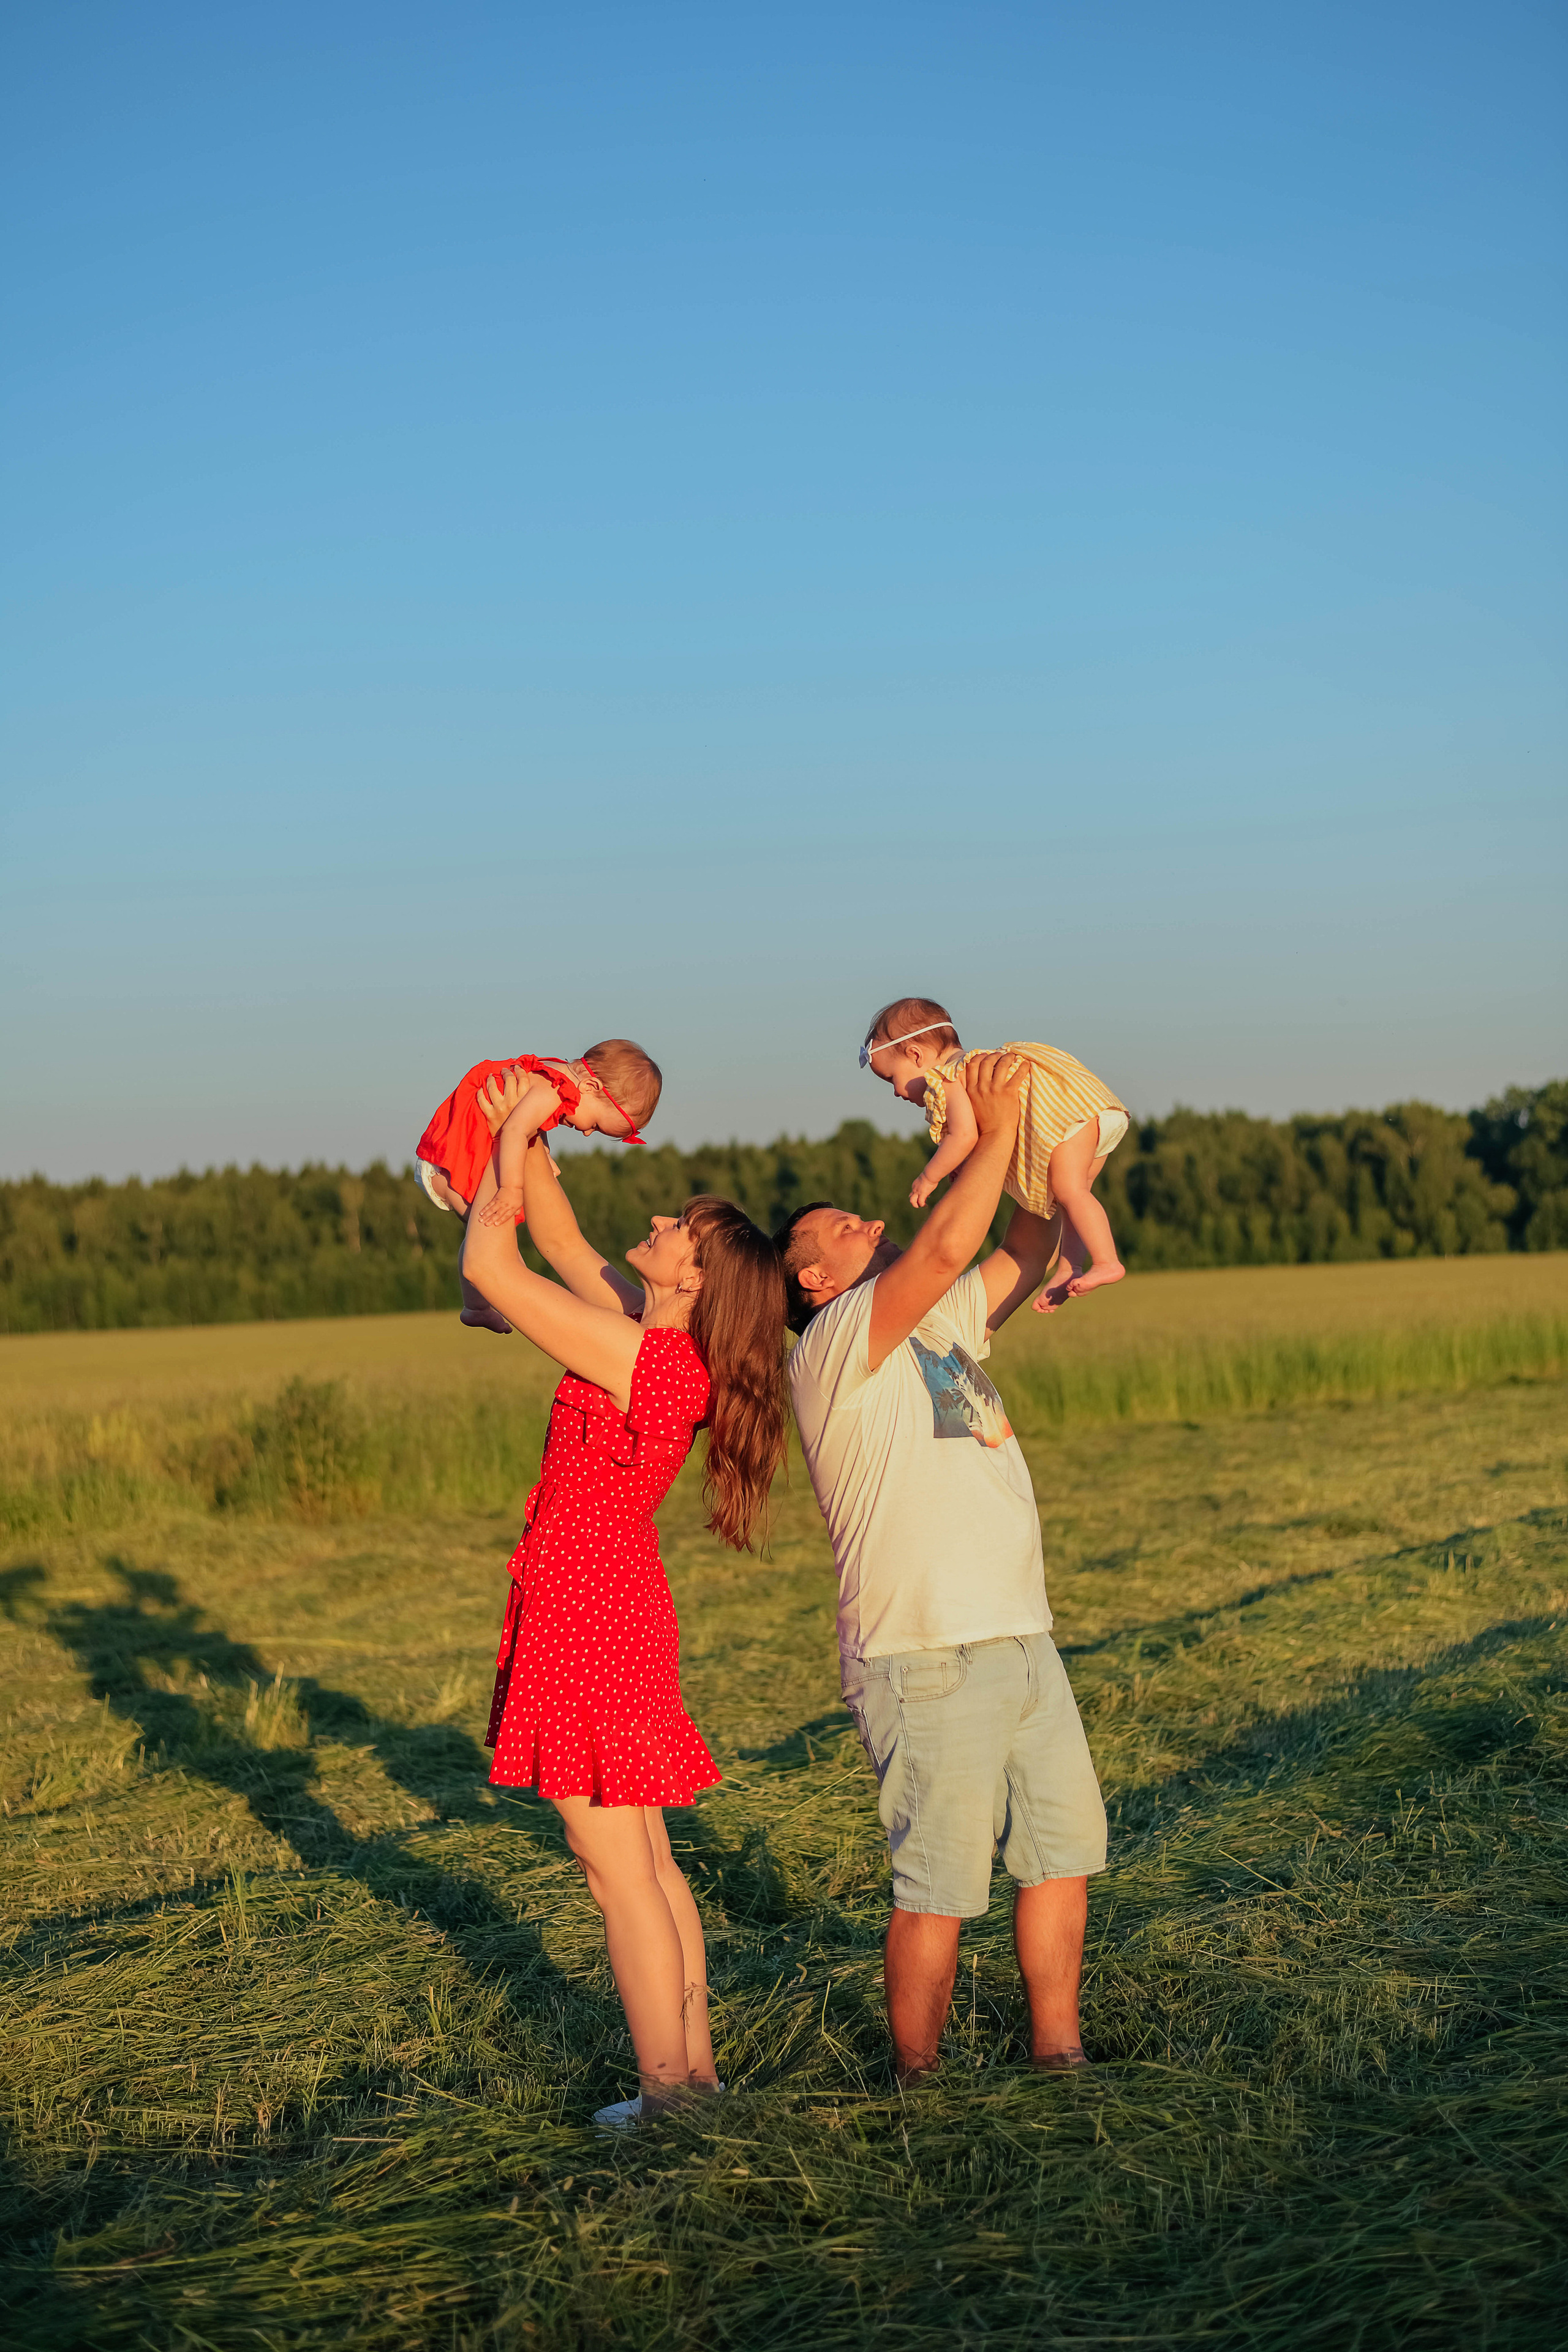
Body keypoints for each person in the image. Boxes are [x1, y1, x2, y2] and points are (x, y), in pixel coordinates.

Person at [774, 1050, 1107, 2084]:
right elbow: (953, 1233)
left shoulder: (939, 1321)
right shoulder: (834, 1342)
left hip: (1020, 1636)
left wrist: (1041, 1126)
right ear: (813, 1279)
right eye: (834, 1229)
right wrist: (995, 1116)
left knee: (1061, 1857)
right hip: (924, 1654)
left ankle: (1060, 2058)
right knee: (938, 1888)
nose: (862, 1224)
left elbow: (1024, 1235)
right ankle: (915, 2086)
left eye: (857, 1215)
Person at [462, 1080, 788, 2127]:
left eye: (678, 1229)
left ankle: (666, 2100)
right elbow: (552, 1232)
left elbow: (488, 1266)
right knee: (645, 1858)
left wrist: (509, 1131)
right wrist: (547, 1108)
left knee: (616, 1874)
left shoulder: (639, 1355)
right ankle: (692, 2077)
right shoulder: (651, 1343)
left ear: (696, 1276)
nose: (658, 1222)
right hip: (617, 1601)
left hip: (583, 1608)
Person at [860, 996, 1128, 1310]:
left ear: (916, 1055)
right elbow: (980, 1134)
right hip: (1093, 1111)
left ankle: (1108, 1261)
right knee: (1072, 1196)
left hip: (1068, 1117)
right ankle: (1071, 1268)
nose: (895, 1091)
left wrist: (929, 1176)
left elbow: (964, 1135)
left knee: (1070, 1191)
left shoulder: (948, 1079)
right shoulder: (977, 1066)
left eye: (893, 1078)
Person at [415, 1039, 661, 1332]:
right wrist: (511, 1189)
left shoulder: (553, 1077)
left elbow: (528, 1126)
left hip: (452, 1157)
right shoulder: (553, 1091)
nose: (586, 1134)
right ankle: (477, 1307)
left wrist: (543, 1156)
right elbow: (515, 1130)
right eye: (595, 1125)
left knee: (486, 1235)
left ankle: (476, 1307)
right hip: (449, 1163)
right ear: (590, 1088)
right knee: (496, 1243)